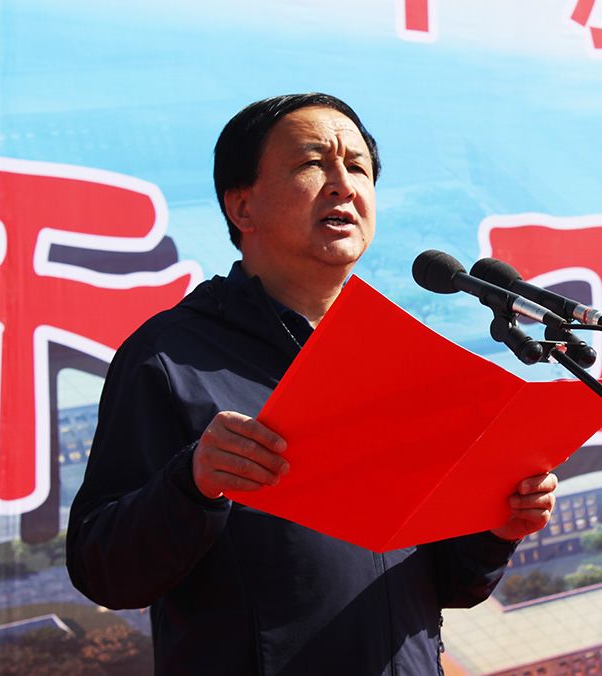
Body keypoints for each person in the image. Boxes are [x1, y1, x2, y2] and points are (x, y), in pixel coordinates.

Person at [66, 93, 558, 675]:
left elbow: (448, 584)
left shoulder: (401, 359)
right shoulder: (169, 357)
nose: (343, 186)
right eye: (312, 164)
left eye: (357, 167)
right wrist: (191, 484)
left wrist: (494, 529)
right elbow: (103, 571)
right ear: (241, 206)